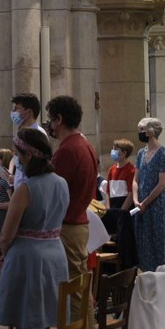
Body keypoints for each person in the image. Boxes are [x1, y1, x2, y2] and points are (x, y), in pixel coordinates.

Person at [0, 128, 70, 329]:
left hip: (28, 258)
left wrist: (5, 255)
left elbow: (6, 235)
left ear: (29, 155)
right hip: (55, 254)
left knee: (27, 328)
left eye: (18, 154)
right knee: (42, 328)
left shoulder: (25, 188)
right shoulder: (61, 182)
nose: (16, 159)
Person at [44, 95, 97, 282]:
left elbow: (54, 192)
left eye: (51, 119)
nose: (50, 125)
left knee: (71, 286)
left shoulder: (68, 149)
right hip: (78, 222)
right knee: (78, 284)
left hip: (67, 225)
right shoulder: (84, 145)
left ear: (59, 119)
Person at [132, 117, 165, 270]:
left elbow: (161, 184)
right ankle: (146, 275)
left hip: (156, 206)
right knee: (143, 242)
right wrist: (136, 200)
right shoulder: (141, 153)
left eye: (141, 130)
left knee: (157, 242)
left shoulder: (163, 154)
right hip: (140, 205)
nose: (139, 133)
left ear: (150, 132)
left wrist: (145, 202)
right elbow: (135, 179)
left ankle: (161, 276)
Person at [9, 93, 45, 187]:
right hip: (21, 185)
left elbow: (37, 166)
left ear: (29, 112)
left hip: (32, 188)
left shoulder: (37, 134)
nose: (13, 112)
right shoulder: (21, 132)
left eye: (16, 108)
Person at [105, 139, 136, 210]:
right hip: (113, 207)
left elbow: (131, 194)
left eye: (115, 150)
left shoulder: (131, 170)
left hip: (125, 208)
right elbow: (108, 192)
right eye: (113, 149)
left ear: (124, 153)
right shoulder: (111, 170)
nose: (113, 152)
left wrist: (121, 211)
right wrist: (108, 209)